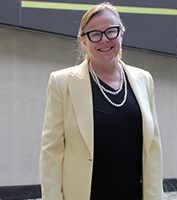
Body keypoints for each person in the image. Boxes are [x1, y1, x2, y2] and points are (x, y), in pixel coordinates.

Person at [39, 2, 163, 200]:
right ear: (84, 41)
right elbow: (51, 153)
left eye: (111, 31)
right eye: (95, 34)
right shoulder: (62, 82)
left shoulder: (144, 80)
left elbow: (153, 149)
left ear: (121, 34)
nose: (104, 40)